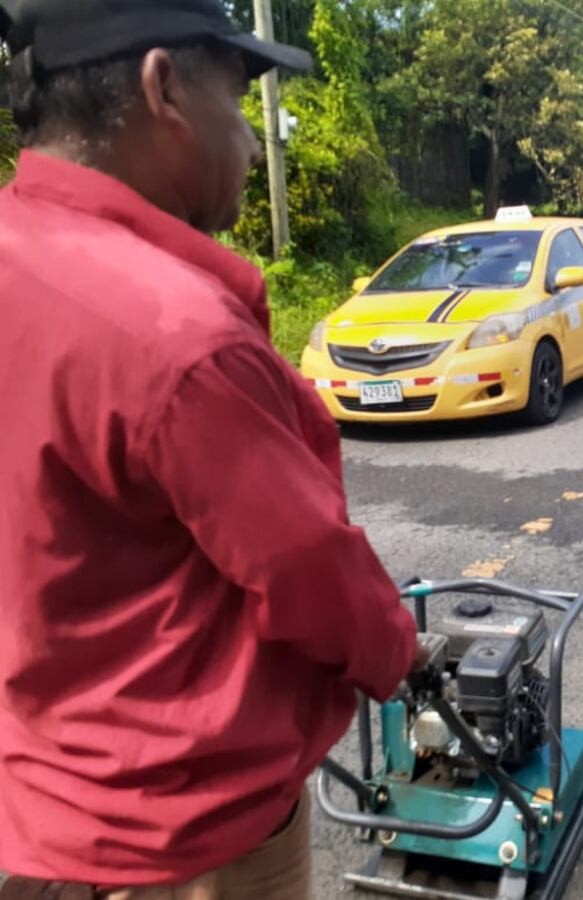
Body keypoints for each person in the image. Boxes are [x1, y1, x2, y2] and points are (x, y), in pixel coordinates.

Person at [0, 1, 425, 896]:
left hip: (32, 810)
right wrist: (399, 653)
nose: (252, 139)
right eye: (237, 102)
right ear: (164, 89)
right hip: (182, 836)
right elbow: (307, 565)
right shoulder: (176, 338)